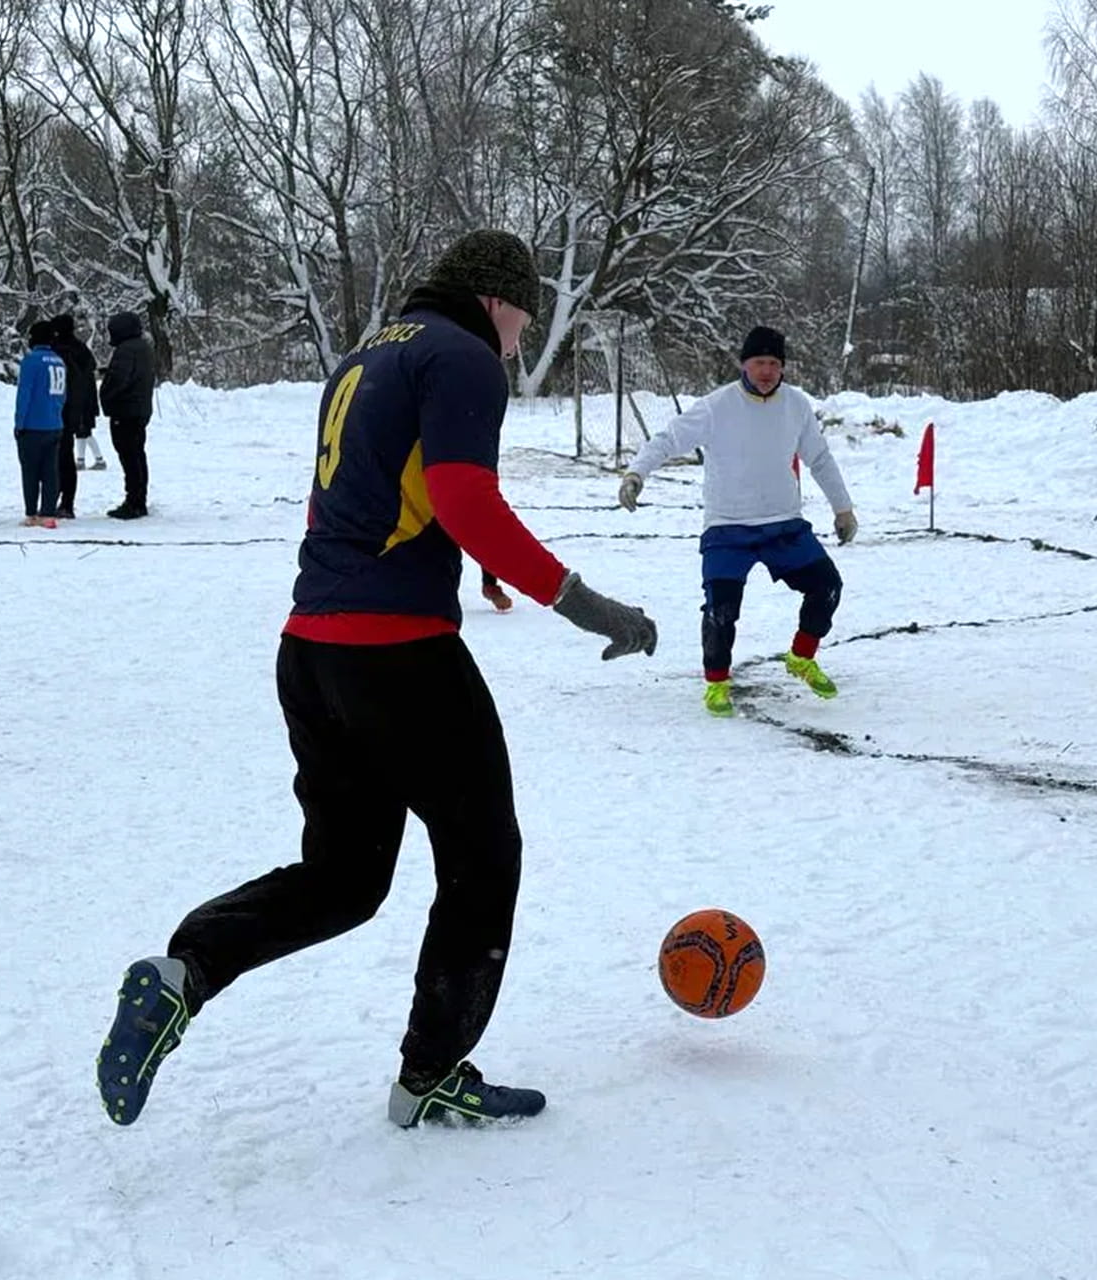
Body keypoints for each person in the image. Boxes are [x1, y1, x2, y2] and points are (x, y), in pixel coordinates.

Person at [98, 229, 657, 1131]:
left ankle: (184, 971)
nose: (522, 334)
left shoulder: (367, 358)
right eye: (524, 312)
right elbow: (467, 498)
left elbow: (384, 497)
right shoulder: (465, 357)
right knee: (483, 858)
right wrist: (587, 605)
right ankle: (432, 1072)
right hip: (400, 656)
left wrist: (470, 560)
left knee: (347, 877)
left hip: (312, 651)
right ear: (494, 298)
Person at [617, 324, 857, 718]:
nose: (767, 371)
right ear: (744, 364)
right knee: (721, 608)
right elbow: (666, 440)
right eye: (759, 362)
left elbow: (820, 459)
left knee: (828, 586)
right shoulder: (717, 406)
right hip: (728, 528)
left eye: (774, 364)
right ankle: (716, 683)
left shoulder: (796, 405)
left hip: (783, 524)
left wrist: (842, 509)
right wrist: (636, 474)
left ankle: (802, 657)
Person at [98, 311, 157, 519]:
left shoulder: (125, 350)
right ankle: (139, 498)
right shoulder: (143, 347)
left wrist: (105, 394)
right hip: (139, 409)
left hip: (125, 410)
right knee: (137, 455)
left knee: (129, 456)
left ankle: (134, 502)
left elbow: (119, 380)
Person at [14, 321, 68, 528]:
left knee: (30, 471)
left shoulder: (31, 361)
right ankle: (48, 513)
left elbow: (24, 394)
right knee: (50, 471)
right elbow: (63, 394)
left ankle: (31, 513)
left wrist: (19, 422)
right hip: (55, 423)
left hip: (33, 424)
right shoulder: (58, 361)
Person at [49, 313, 101, 518]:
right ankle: (66, 503)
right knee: (66, 456)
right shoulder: (82, 350)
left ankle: (55, 500)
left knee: (56, 457)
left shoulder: (57, 352)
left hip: (60, 410)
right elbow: (87, 382)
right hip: (78, 410)